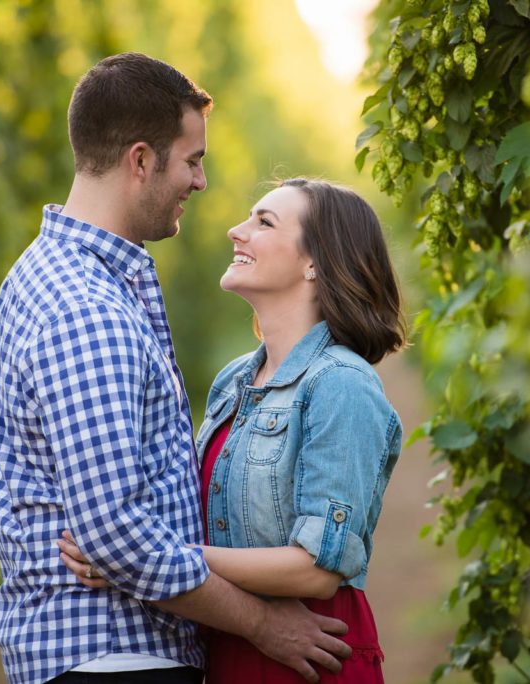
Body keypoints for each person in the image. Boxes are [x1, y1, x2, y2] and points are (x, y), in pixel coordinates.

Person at [0, 54, 350, 684]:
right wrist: (263, 625)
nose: (201, 182)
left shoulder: (63, 280)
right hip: (113, 659)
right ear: (141, 161)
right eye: (192, 160)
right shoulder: (84, 310)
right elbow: (116, 537)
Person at [58, 177, 406, 682]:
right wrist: (120, 555)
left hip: (314, 651)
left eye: (263, 222)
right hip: (231, 645)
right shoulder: (234, 381)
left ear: (315, 263)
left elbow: (318, 568)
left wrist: (149, 559)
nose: (235, 231)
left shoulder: (343, 385)